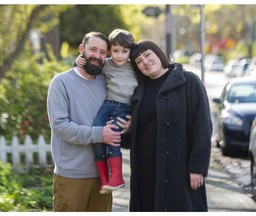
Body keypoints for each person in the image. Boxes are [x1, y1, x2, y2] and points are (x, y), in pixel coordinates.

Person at [122, 39, 212, 211]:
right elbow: (137, 133)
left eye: (148, 55)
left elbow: (203, 127)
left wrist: (198, 168)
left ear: (159, 54)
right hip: (145, 172)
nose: (145, 62)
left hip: (179, 172)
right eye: (138, 61)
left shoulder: (188, 81)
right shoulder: (139, 90)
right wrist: (128, 131)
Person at [46, 31, 124, 212]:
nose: (97, 56)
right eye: (93, 49)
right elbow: (60, 126)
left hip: (103, 177)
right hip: (72, 176)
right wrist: (99, 134)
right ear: (82, 49)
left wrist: (125, 126)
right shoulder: (61, 82)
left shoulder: (107, 82)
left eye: (103, 52)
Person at [75, 29, 137, 194]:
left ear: (130, 51)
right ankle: (104, 179)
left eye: (124, 51)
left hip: (125, 108)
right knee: (97, 131)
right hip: (108, 104)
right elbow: (90, 66)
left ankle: (117, 177)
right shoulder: (106, 65)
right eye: (115, 51)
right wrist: (78, 61)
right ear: (109, 51)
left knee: (113, 136)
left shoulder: (135, 67)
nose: (120, 56)